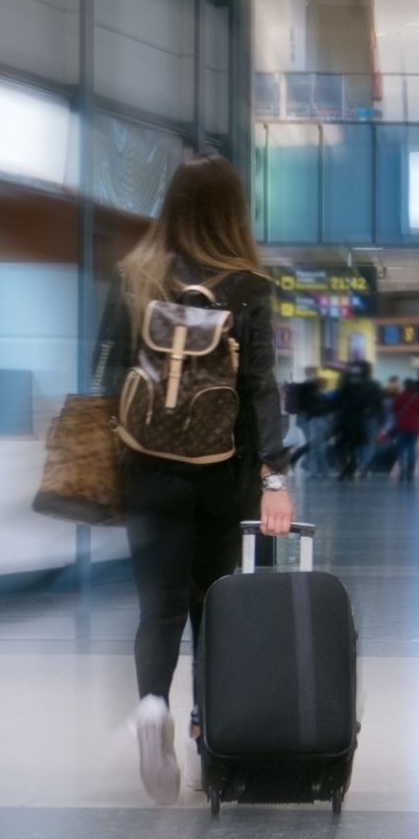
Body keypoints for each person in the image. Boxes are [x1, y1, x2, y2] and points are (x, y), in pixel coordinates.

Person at [98, 153, 295, 805]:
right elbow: (261, 387)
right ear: (233, 213)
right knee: (214, 611)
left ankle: (152, 705)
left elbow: (108, 379)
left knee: (158, 609)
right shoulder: (247, 288)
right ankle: (208, 734)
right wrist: (274, 476)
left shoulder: (134, 276)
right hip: (223, 471)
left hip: (146, 469)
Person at [333, 361, 385, 480]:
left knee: (344, 445)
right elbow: (378, 404)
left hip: (347, 420)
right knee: (364, 444)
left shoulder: (348, 384)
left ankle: (350, 466)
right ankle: (360, 466)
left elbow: (337, 401)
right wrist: (380, 419)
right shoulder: (373, 385)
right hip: (363, 419)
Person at [387, 378, 419, 480]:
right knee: (412, 448)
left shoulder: (400, 396)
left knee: (401, 448)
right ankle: (410, 470)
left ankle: (402, 468)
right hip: (414, 426)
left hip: (401, 426)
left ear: (405, 386)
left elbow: (392, 409)